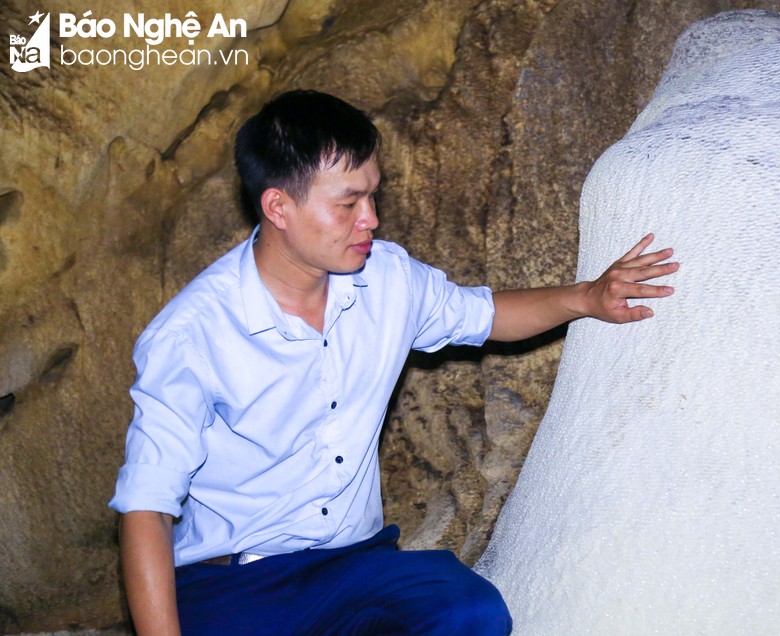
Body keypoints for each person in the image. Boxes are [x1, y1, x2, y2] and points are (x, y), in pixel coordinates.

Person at [109, 89, 679, 635]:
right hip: (235, 585)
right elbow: (146, 509)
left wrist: (586, 297)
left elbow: (485, 315)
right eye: (348, 202)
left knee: (470, 613)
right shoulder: (191, 335)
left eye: (373, 195)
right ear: (278, 206)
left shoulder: (387, 279)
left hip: (353, 567)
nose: (371, 219)